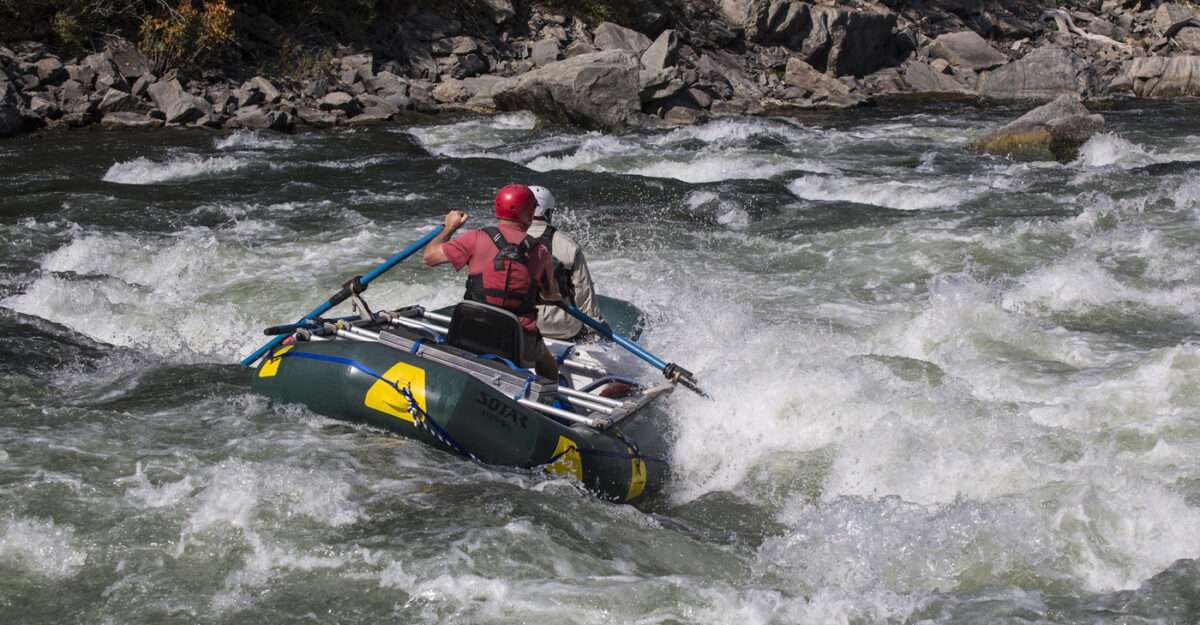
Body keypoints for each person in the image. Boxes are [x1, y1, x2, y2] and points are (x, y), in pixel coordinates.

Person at [422, 184, 562, 381]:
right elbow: (551, 295)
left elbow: (429, 257)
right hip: (516, 337)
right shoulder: (540, 252)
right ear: (530, 214)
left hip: (470, 327)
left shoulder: (476, 238)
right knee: (546, 361)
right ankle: (550, 397)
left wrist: (450, 227)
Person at [524, 185, 605, 341]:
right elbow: (584, 294)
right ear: (548, 212)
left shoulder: (505, 240)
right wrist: (595, 327)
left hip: (516, 319)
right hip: (559, 325)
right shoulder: (568, 245)